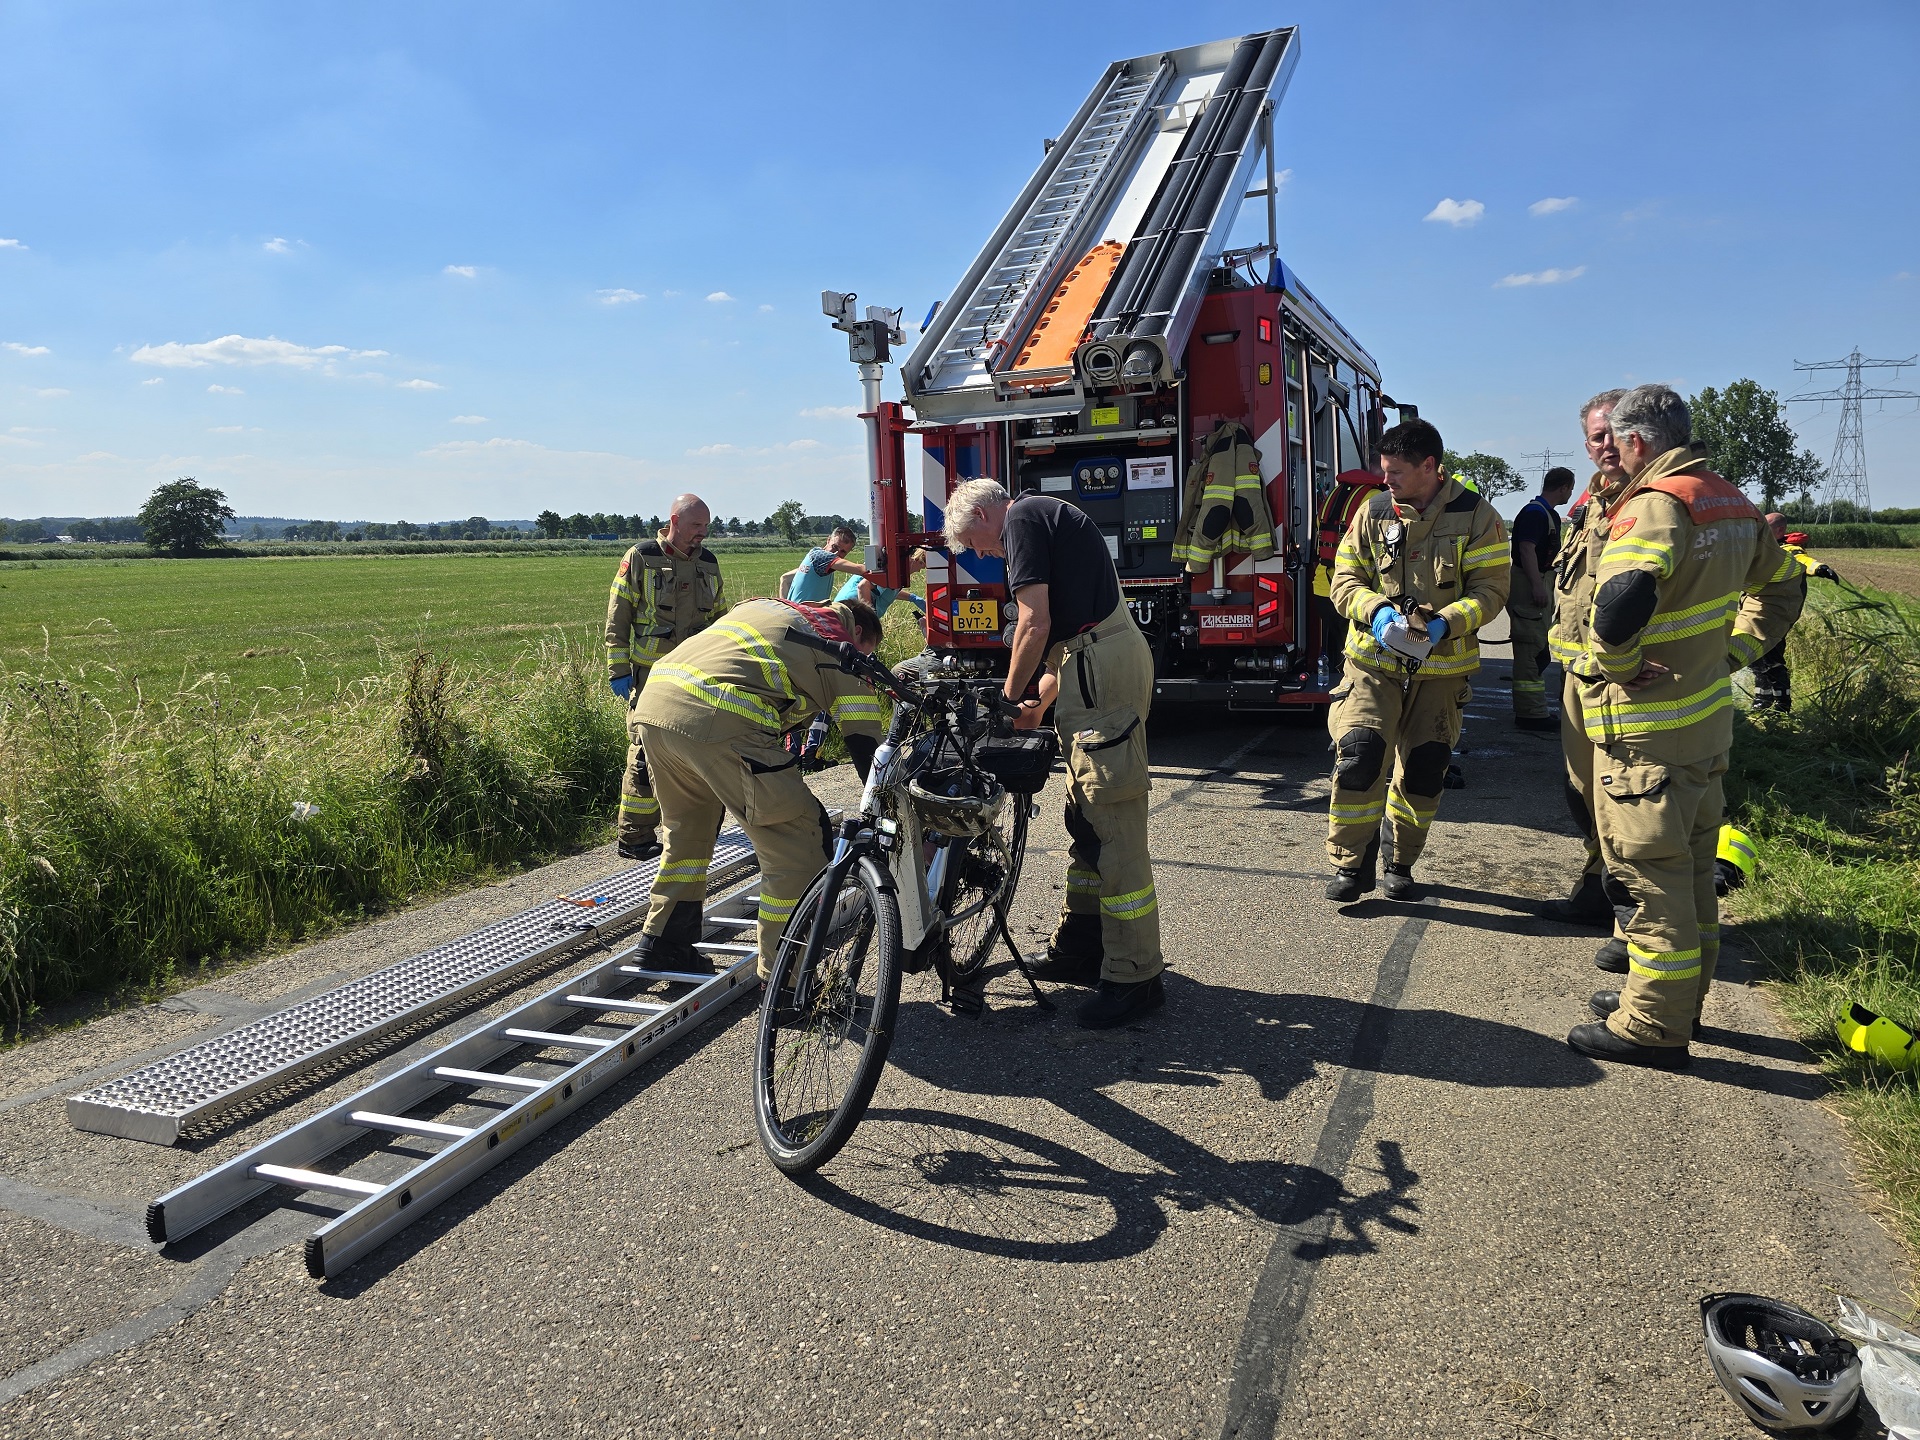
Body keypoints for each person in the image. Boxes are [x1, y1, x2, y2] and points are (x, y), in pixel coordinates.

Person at [1557, 385, 1804, 1067]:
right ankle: (1673, 1000)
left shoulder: (1656, 506)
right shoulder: (1727, 498)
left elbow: (1619, 603)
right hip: (1703, 728)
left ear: (1636, 443)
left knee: (1646, 876)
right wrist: (1731, 653)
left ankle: (1652, 1028)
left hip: (1646, 734)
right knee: (1694, 873)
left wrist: (1620, 662)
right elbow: (1785, 586)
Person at [942, 477, 1165, 1030]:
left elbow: (1035, 624)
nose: (980, 554)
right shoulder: (1042, 518)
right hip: (1087, 667)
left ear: (986, 514)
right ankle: (1082, 947)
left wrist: (1006, 700)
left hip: (1097, 671)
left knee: (1113, 825)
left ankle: (1135, 976)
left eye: (973, 542)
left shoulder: (1019, 521)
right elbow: (1058, 645)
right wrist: (1033, 708)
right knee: (1086, 818)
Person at [628, 595, 886, 977]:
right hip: (720, 716)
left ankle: (663, 942)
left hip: (656, 706)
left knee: (687, 834)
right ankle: (787, 982)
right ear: (858, 631)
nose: (866, 664)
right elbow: (867, 747)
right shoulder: (835, 641)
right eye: (870, 653)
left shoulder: (775, 611)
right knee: (798, 842)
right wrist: (883, 815)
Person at [1324, 419, 1510, 902]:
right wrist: (1378, 612)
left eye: (1396, 473)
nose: (1386, 481)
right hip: (1373, 662)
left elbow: (1491, 591)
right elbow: (1343, 581)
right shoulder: (1373, 511)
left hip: (1442, 670)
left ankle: (1399, 860)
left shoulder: (1476, 516)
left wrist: (1447, 622)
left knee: (1426, 767)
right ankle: (1351, 864)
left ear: (1430, 466)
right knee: (1361, 755)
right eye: (1383, 471)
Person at [1541, 391, 1629, 928]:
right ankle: (1599, 888)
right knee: (1584, 794)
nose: (1607, 446)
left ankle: (1632, 922)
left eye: (1616, 434)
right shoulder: (1592, 503)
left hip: (1632, 684)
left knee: (1632, 804)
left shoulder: (1665, 501)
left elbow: (1775, 581)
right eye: (1597, 437)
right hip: (1580, 677)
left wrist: (1731, 654)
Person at [605, 494, 726, 861]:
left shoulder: (708, 562)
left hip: (696, 677)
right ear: (674, 520)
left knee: (701, 751)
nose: (702, 534)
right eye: (696, 526)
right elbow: (618, 616)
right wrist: (619, 670)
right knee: (643, 754)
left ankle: (696, 829)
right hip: (651, 676)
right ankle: (635, 837)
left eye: (706, 526)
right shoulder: (641, 557)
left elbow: (719, 619)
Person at [1508, 467, 1577, 731]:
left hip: (1538, 581)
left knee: (1537, 647)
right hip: (1530, 584)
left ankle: (1532, 709)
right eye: (1570, 488)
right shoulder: (1535, 513)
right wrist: (1537, 586)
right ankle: (1530, 714)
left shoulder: (1544, 513)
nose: (1570, 493)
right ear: (1563, 487)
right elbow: (1526, 550)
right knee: (1530, 649)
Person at [1748, 514, 1840, 711]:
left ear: (1779, 530)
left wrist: (1820, 568)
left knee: (1771, 655)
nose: (1760, 531)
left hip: (1777, 613)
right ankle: (1762, 700)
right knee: (1755, 654)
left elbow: (1804, 560)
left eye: (1766, 527)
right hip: (1760, 612)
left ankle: (1782, 705)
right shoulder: (1763, 548)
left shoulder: (1788, 550)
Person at [1311, 464, 1387, 682]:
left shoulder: (1333, 496)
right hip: (1352, 591)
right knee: (1355, 654)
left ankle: (1334, 687)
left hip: (1323, 589)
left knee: (1333, 649)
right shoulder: (1374, 498)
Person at [835, 546, 928, 620]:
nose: (919, 571)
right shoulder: (890, 569)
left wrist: (912, 598)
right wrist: (870, 620)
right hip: (848, 613)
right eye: (922, 566)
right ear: (915, 559)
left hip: (850, 613)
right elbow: (863, 587)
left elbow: (887, 590)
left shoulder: (896, 572)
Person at [785, 525, 866, 602]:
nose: (837, 553)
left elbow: (785, 578)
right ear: (828, 540)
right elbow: (860, 569)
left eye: (843, 552)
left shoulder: (812, 558)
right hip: (804, 614)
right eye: (835, 547)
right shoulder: (821, 557)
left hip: (801, 613)